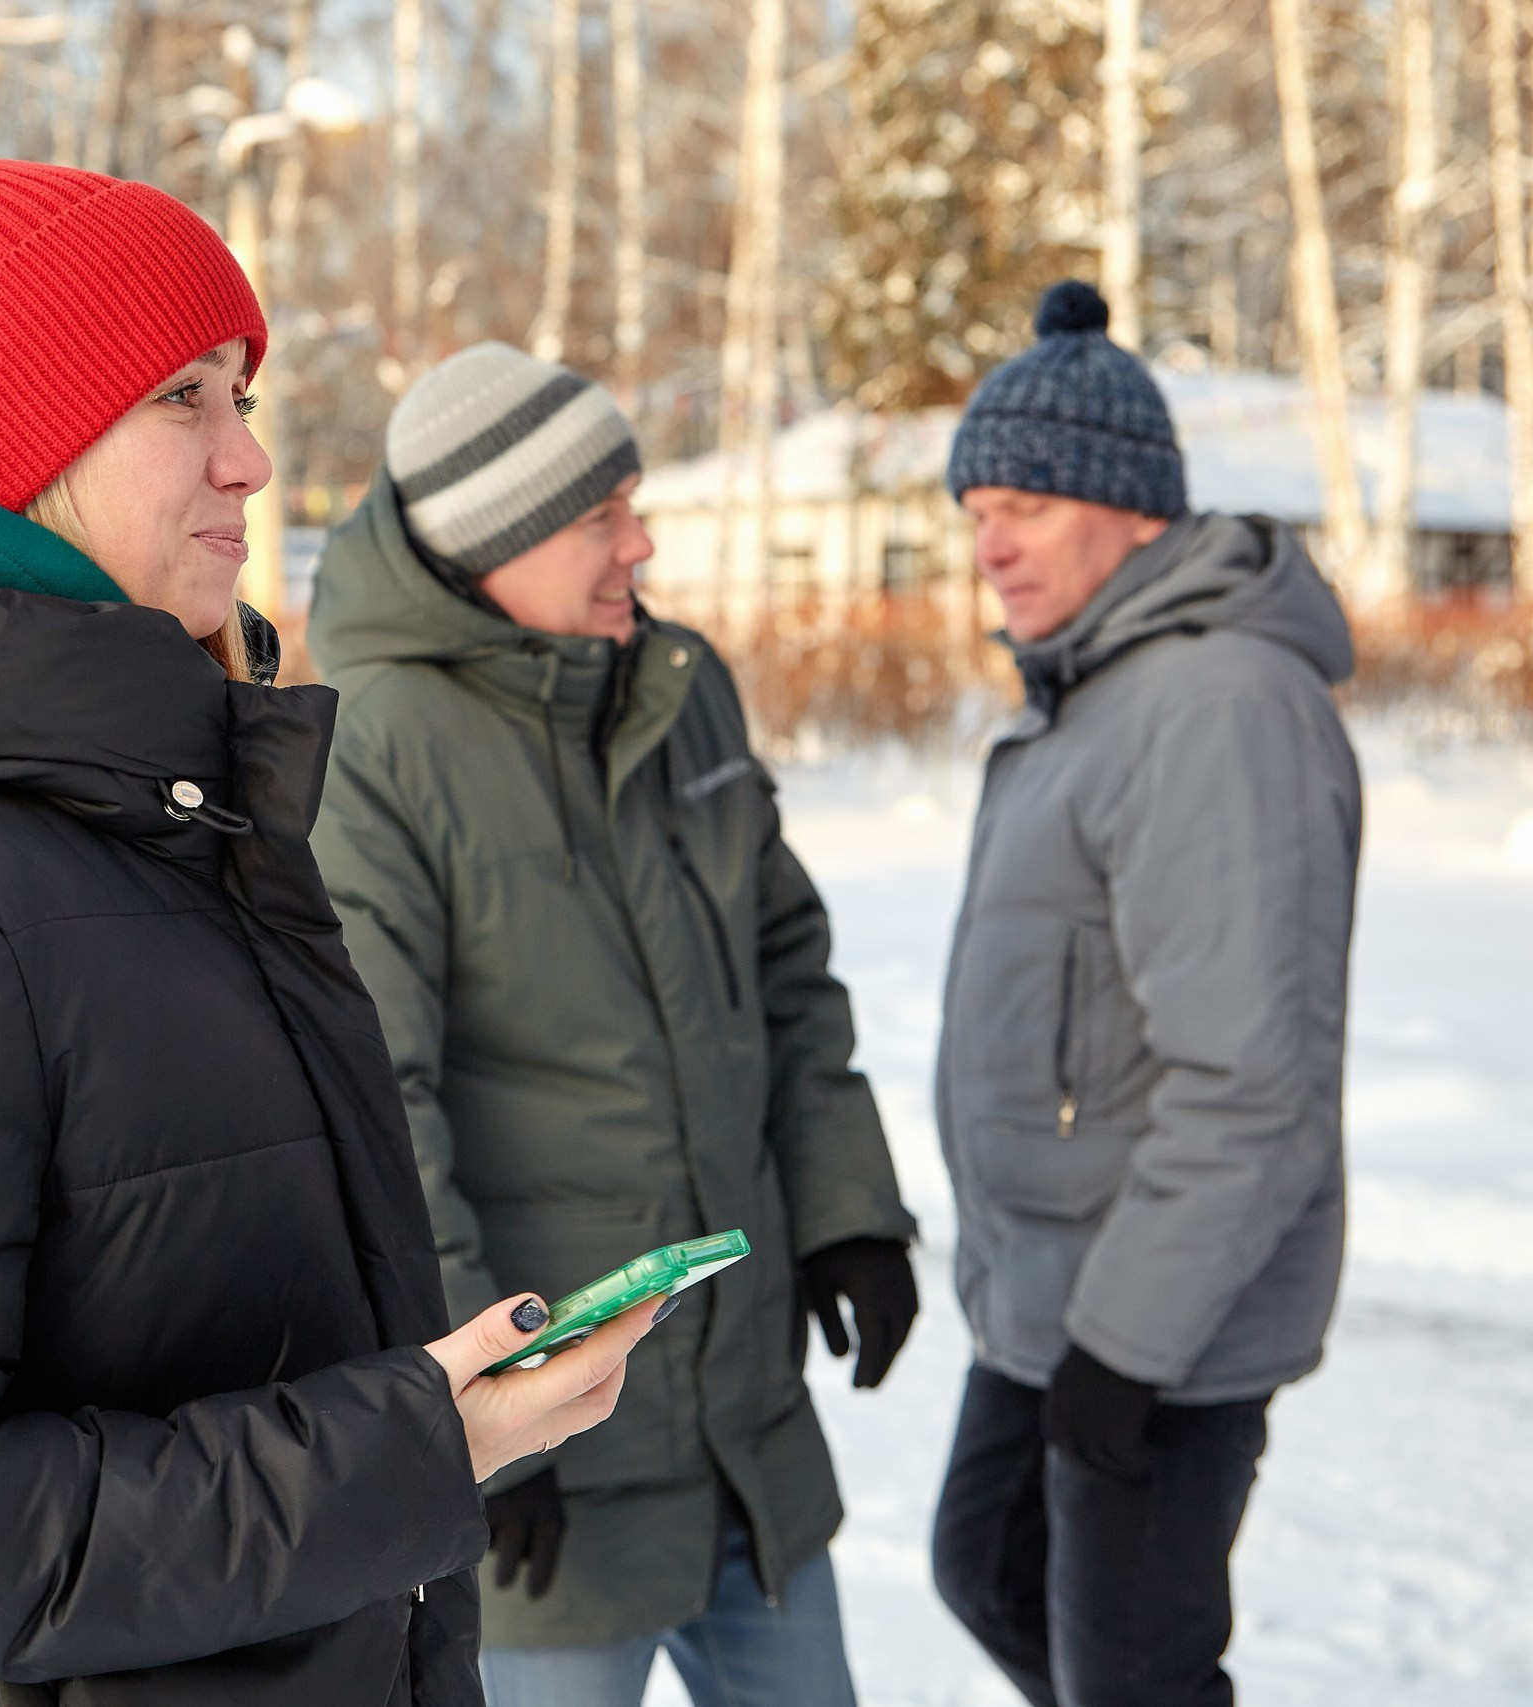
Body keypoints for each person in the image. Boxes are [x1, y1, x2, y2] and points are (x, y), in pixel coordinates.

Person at [0, 158, 665, 1707]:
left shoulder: (161, 821)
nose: (250, 460)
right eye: (184, 399)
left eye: (240, 394)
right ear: (22, 447)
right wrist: (413, 1451)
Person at [306, 341, 921, 1707]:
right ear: (491, 543)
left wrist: (848, 1211)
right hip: (554, 1470)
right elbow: (376, 1109)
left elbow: (787, 968)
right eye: (601, 517)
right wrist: (478, 1424)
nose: (639, 543)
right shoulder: (379, 748)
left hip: (746, 1442)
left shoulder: (680, 685)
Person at [929, 280, 1362, 1707]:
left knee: (1136, 1678)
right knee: (987, 1568)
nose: (990, 544)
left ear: (1130, 506)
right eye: (976, 507)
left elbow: (1252, 1085)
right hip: (1055, 1292)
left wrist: (1125, 1348)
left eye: (1029, 506)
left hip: (1156, 1317)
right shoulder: (1094, 694)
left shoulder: (1216, 703)